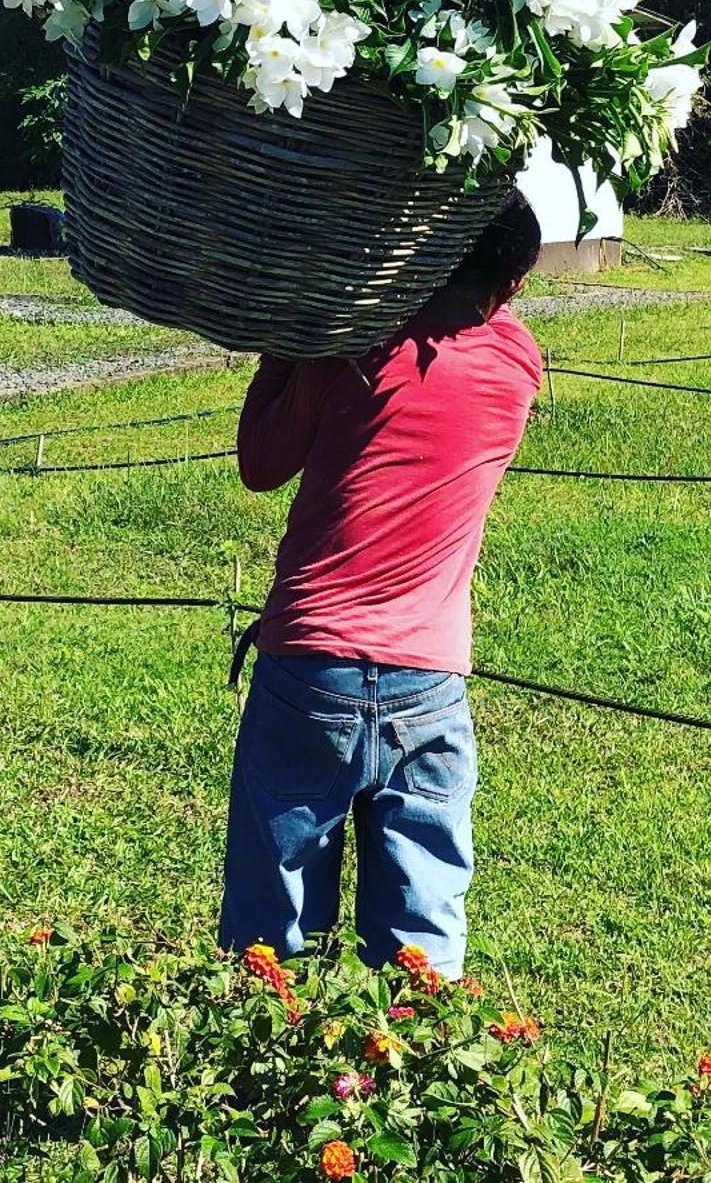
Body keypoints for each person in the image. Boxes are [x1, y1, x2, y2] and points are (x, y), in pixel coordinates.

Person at [220, 188, 545, 975]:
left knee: (277, 922)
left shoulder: (352, 350)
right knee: (421, 931)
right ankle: (422, 1076)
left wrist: (293, 336)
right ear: (511, 289)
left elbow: (261, 464)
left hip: (310, 665)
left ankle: (269, 1074)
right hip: (430, 680)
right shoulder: (517, 364)